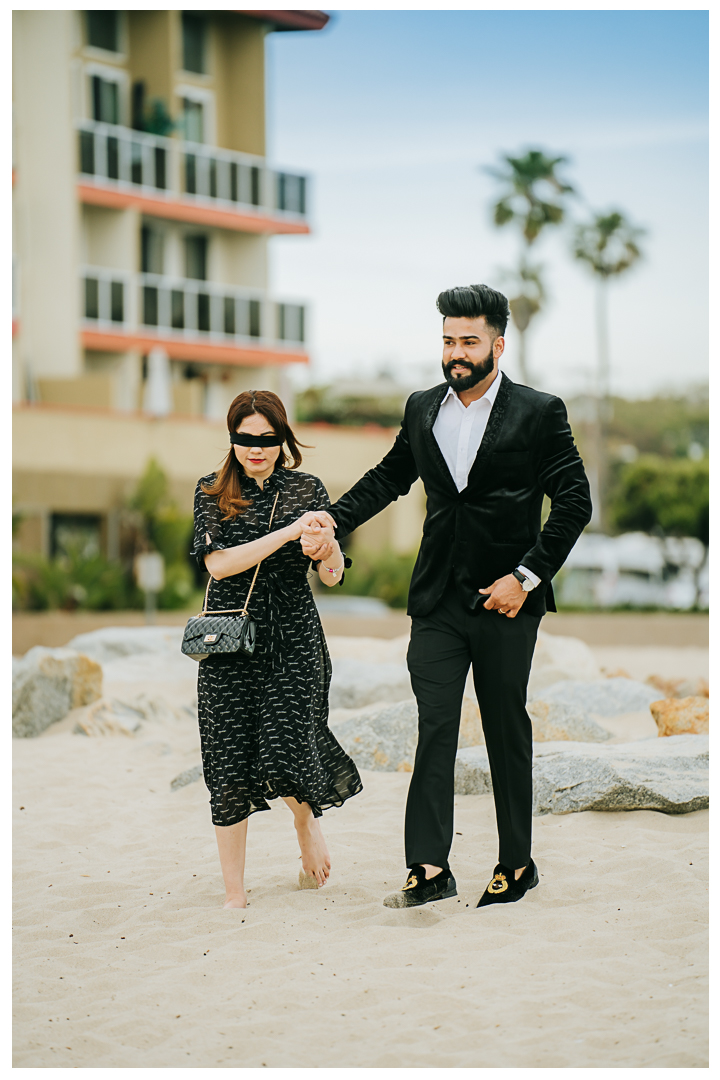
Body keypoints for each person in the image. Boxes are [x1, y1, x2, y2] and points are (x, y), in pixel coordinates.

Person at [304, 284, 592, 909]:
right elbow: (388, 476)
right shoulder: (421, 407)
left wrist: (527, 577)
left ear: (497, 343)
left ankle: (516, 863)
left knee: (503, 729)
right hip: (436, 600)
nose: (456, 353)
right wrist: (331, 518)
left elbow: (574, 503)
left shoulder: (540, 412)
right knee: (434, 726)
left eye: (468, 341)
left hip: (506, 600)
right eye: (448, 340)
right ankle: (428, 867)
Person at [192, 390, 362, 909]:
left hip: (293, 637)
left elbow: (331, 577)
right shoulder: (211, 490)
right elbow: (218, 565)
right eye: (245, 439)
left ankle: (305, 822)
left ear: (282, 439)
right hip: (229, 642)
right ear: (232, 439)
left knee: (284, 743)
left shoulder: (307, 488)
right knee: (227, 761)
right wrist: (289, 531)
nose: (256, 449)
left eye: (266, 439)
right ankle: (234, 894)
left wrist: (326, 548)